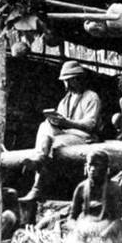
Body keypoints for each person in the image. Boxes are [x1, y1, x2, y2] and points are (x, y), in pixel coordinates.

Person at [21, 60, 103, 202]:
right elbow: (60, 121)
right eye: (65, 81)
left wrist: (67, 123)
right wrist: (55, 121)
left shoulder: (91, 97)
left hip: (83, 137)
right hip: (65, 135)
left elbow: (90, 124)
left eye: (69, 81)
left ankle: (37, 186)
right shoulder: (65, 100)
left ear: (78, 79)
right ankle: (39, 159)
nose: (67, 85)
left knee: (52, 144)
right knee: (44, 127)